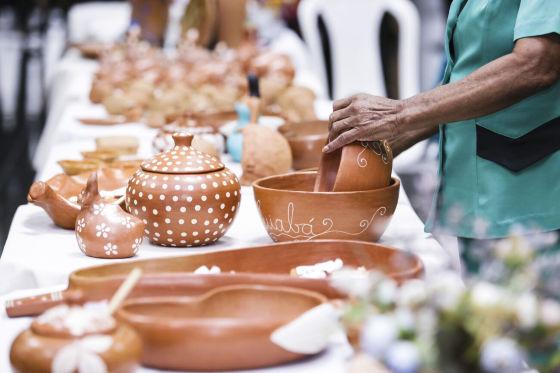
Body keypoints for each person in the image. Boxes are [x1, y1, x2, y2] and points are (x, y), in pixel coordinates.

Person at [324, 0, 560, 273]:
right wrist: (390, 140)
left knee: (521, 309)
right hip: (477, 189)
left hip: (528, 193)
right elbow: (473, 73)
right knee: (484, 309)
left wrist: (400, 114)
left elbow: (537, 63)